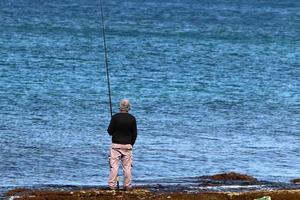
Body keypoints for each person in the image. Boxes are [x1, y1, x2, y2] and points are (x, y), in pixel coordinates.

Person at [107, 99, 137, 190]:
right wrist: (131, 144)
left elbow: (109, 131)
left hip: (115, 145)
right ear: (129, 108)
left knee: (114, 166)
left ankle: (112, 186)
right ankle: (127, 186)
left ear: (120, 107)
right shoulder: (132, 118)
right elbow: (135, 134)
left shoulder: (115, 117)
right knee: (127, 167)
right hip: (127, 145)